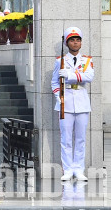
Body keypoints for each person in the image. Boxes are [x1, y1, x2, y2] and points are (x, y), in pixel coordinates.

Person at [51, 26, 94, 182]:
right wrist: (58, 95)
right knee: (66, 139)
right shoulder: (60, 61)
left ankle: (79, 169)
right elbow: (54, 82)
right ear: (67, 43)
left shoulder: (87, 60)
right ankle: (68, 169)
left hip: (81, 101)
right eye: (72, 40)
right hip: (65, 101)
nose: (75, 43)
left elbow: (89, 77)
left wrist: (70, 74)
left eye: (78, 40)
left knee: (80, 139)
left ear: (81, 43)